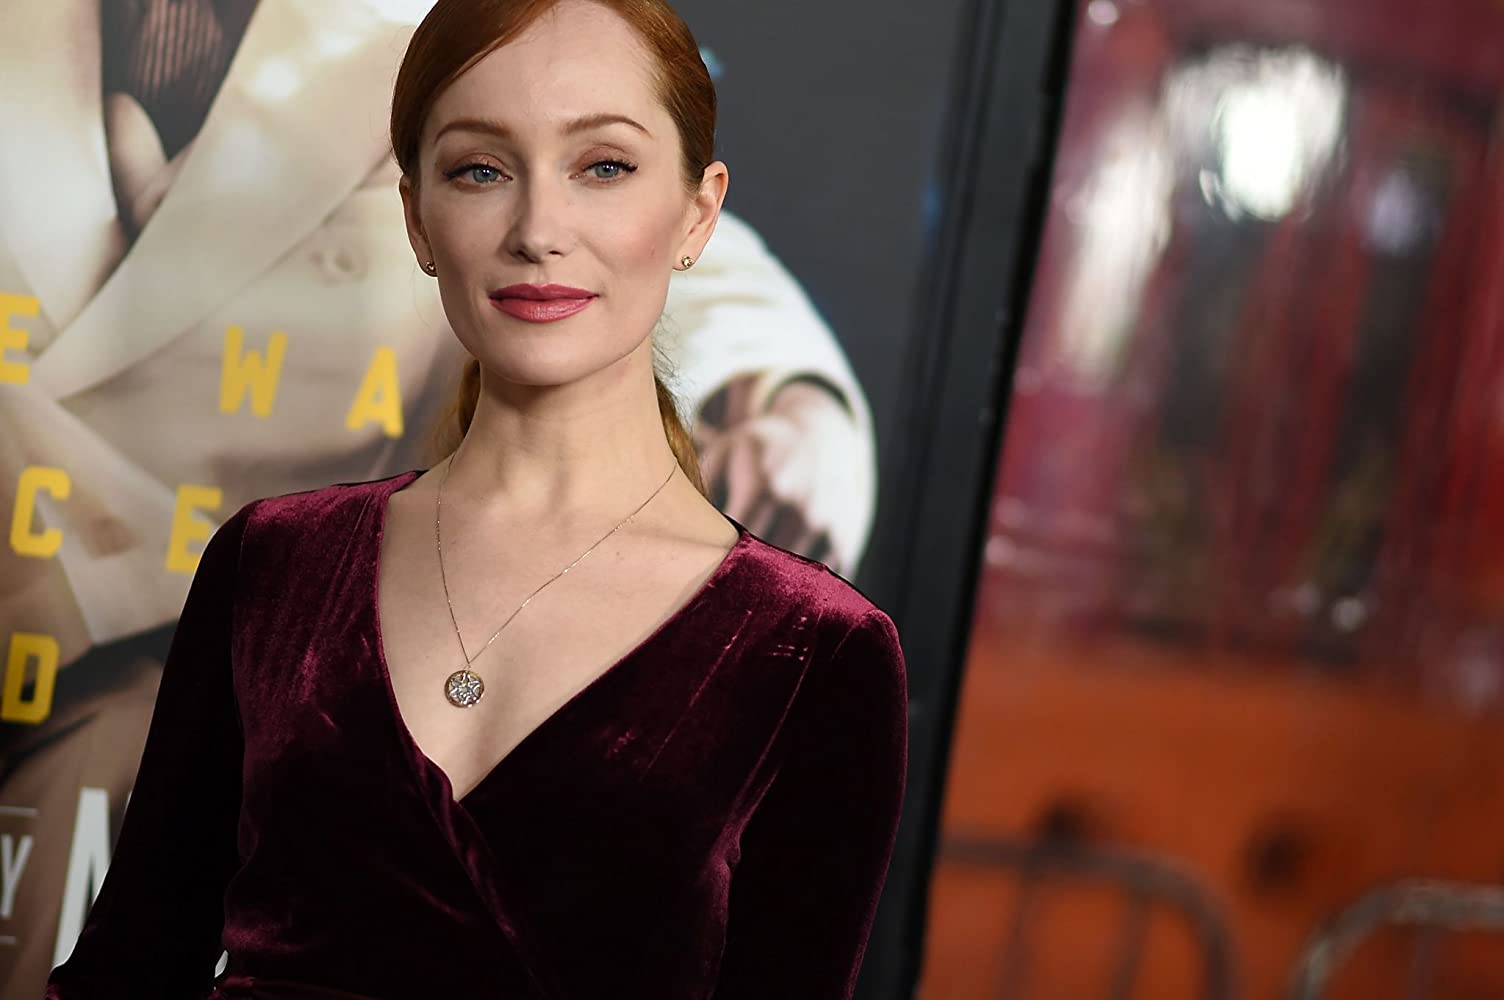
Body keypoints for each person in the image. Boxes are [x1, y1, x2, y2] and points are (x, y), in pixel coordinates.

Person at [2, 1, 880, 990]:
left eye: (603, 167)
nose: (539, 231)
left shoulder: (814, 648)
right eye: (479, 171)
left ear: (698, 213)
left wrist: (791, 406)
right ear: (417, 217)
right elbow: (127, 972)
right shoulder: (272, 568)